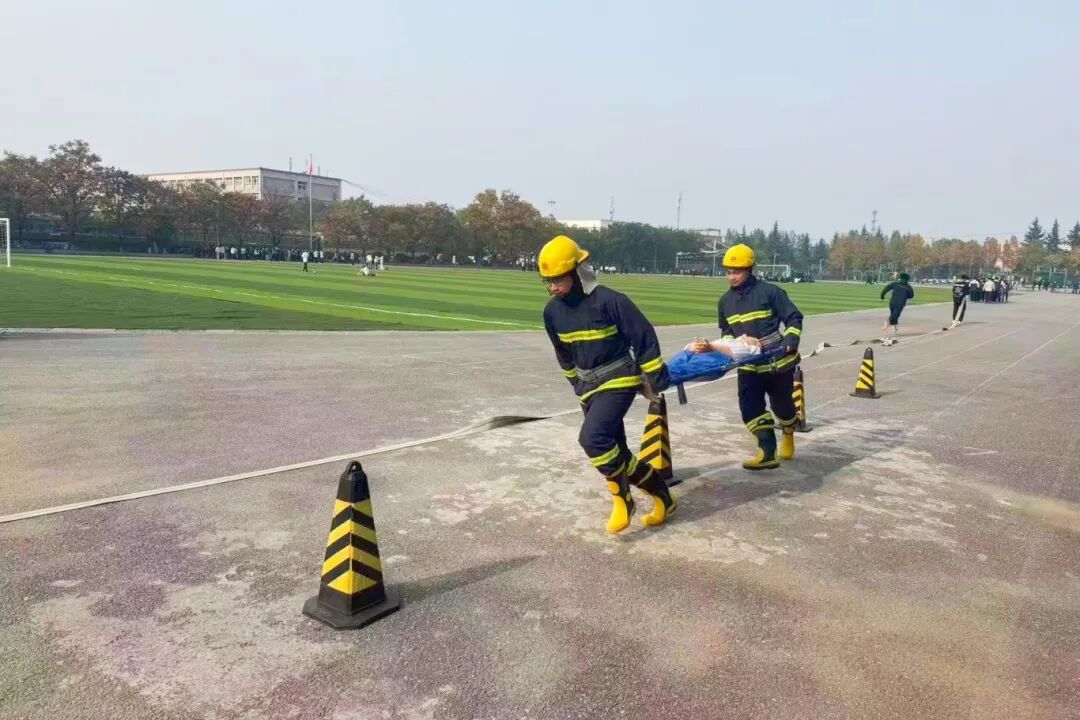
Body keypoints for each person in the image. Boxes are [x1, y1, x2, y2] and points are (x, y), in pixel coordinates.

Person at [539, 234, 676, 534]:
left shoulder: (611, 301)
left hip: (619, 378)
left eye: (558, 279)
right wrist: (576, 384)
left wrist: (656, 376)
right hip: (588, 387)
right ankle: (664, 498)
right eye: (547, 281)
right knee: (619, 454)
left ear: (576, 272)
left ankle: (622, 498)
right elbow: (563, 353)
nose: (553, 287)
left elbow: (644, 337)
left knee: (592, 439)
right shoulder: (552, 312)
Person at [716, 244, 804, 470]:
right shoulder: (724, 302)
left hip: (777, 364)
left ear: (750, 269)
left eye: (737, 271)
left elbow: (794, 318)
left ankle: (788, 431)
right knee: (749, 409)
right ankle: (767, 452)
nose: (732, 276)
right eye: (728, 271)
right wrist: (731, 344)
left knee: (782, 407)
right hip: (748, 365)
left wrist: (790, 342)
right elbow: (726, 331)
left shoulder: (770, 292)